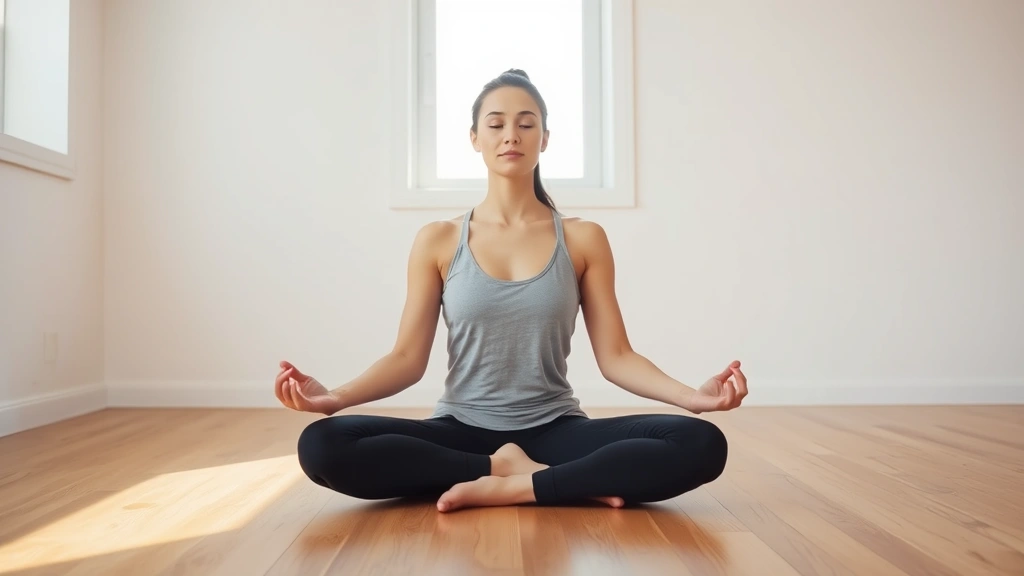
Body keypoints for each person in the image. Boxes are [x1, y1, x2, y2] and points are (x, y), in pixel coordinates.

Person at [275, 69, 748, 513]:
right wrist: (333, 399)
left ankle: (526, 482)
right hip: (460, 429)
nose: (511, 135)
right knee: (322, 445)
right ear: (475, 138)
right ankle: (528, 474)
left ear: (544, 138)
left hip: (556, 428)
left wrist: (693, 398)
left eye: (527, 124)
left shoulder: (583, 238)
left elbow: (617, 356)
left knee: (701, 442)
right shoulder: (439, 240)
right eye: (496, 123)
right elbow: (406, 360)